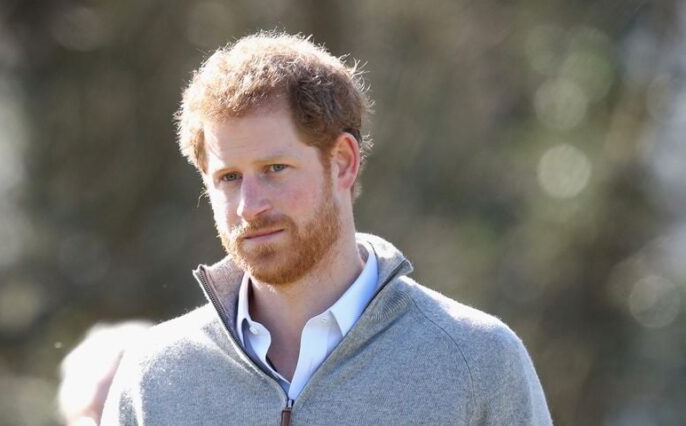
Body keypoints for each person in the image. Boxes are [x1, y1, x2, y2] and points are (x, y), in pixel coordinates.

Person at [101, 31, 552, 425]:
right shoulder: (153, 378)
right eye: (229, 177)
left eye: (275, 168)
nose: (250, 206)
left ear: (343, 163)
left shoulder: (477, 362)